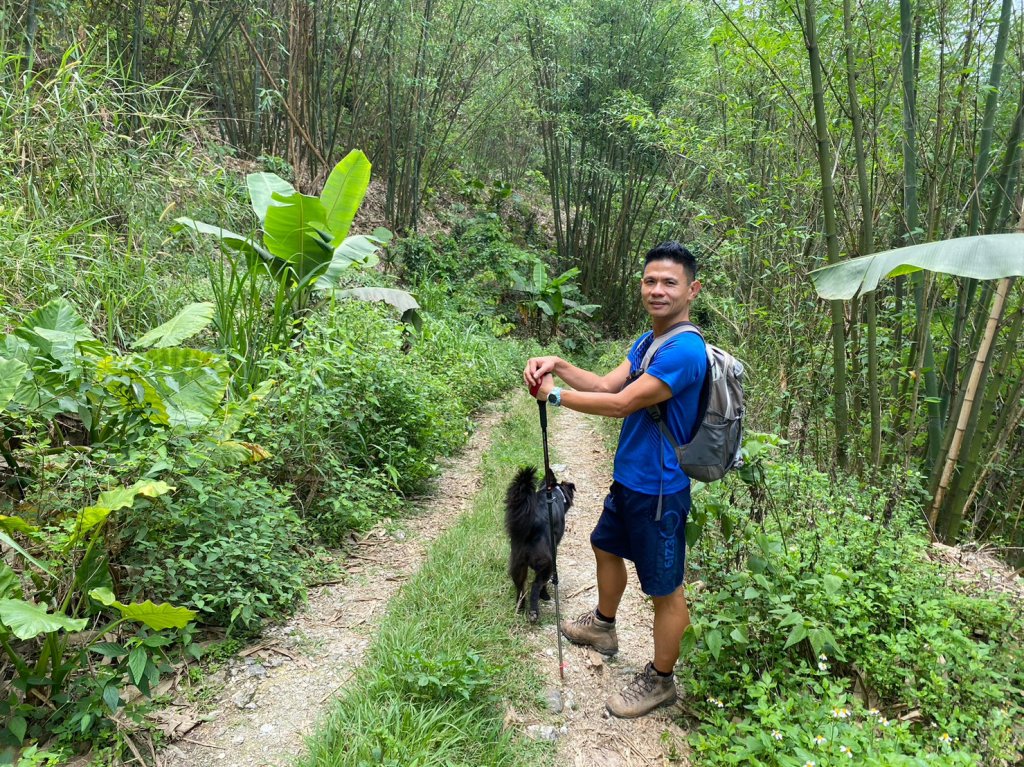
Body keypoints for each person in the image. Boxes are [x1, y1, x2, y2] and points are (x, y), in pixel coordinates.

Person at [523, 240, 706, 719]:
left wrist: (555, 396)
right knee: (604, 545)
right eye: (650, 281)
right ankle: (604, 627)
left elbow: (623, 404)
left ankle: (661, 681)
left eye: (669, 282)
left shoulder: (685, 350)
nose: (657, 290)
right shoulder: (649, 342)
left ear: (692, 290)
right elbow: (607, 385)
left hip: (660, 491)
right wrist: (559, 365)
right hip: (630, 480)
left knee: (665, 589)